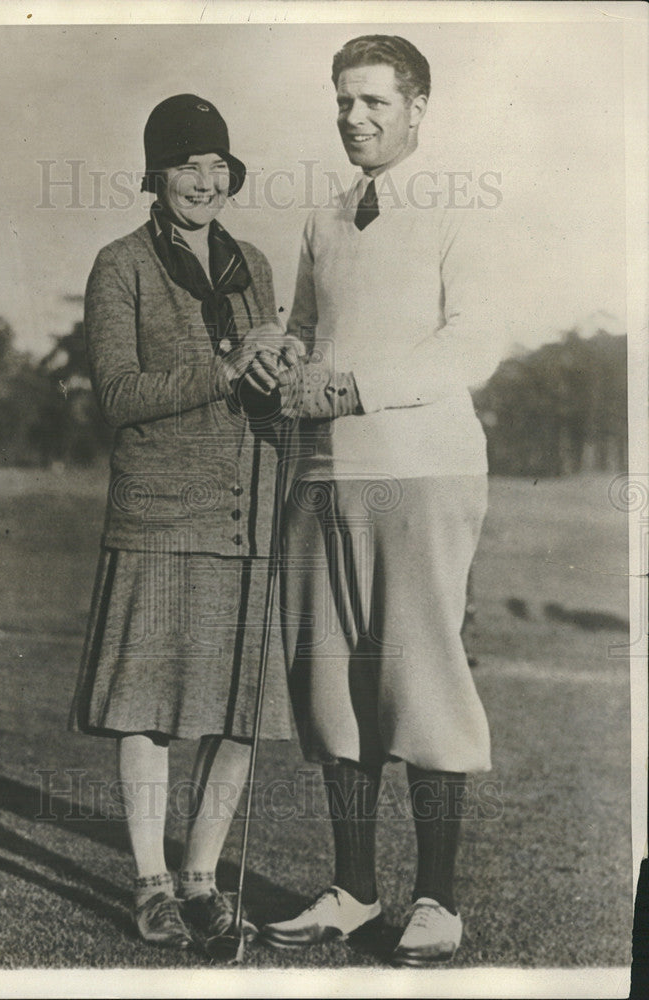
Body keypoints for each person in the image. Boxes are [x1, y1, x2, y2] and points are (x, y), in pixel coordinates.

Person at [254, 35, 504, 965]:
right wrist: (284, 358)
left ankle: (436, 900)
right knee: (335, 686)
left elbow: (471, 344)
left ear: (415, 108)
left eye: (373, 102)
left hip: (424, 467)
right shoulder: (323, 218)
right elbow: (308, 330)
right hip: (323, 471)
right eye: (343, 103)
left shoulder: (457, 209)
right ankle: (353, 890)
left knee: (422, 679)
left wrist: (354, 387)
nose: (355, 119)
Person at [69, 94, 298, 951]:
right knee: (151, 709)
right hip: (160, 515)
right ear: (155, 177)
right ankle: (151, 885)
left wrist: (281, 368)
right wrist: (226, 365)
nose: (203, 182)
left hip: (249, 512)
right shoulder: (120, 263)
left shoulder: (256, 265)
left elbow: (259, 383)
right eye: (186, 166)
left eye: (217, 168)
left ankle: (202, 879)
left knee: (240, 711)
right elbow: (119, 397)